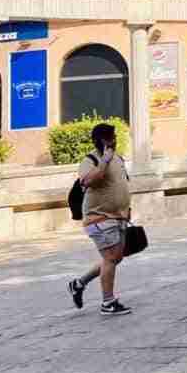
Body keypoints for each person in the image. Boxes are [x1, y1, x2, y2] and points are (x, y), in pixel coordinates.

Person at [67, 122, 133, 316]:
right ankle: (108, 302)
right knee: (110, 258)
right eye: (110, 138)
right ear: (101, 141)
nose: (114, 141)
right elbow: (87, 181)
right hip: (98, 217)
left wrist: (127, 209)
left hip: (118, 217)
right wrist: (104, 160)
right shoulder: (90, 160)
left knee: (114, 258)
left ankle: (78, 284)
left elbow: (121, 185)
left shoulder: (119, 159)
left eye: (114, 137)